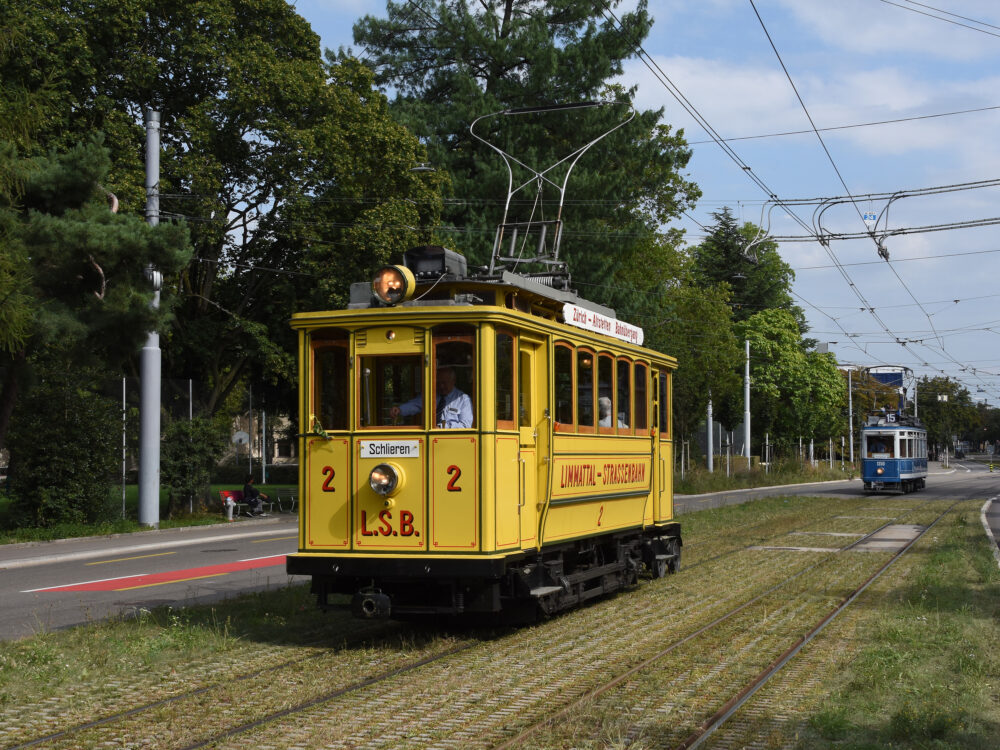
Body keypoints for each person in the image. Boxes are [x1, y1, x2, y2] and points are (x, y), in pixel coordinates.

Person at [390, 366, 473, 428]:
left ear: (453, 381)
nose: (441, 386)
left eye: (444, 383)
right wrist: (400, 410)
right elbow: (415, 404)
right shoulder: (431, 395)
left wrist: (442, 427)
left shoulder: (463, 399)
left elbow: (465, 425)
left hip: (453, 442)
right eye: (438, 383)